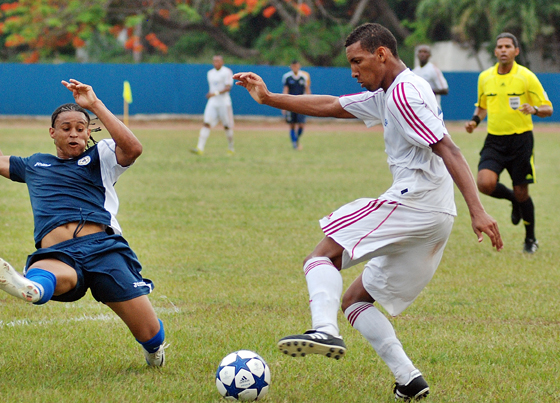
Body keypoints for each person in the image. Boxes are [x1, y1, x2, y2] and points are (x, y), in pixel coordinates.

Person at [234, 23, 503, 400]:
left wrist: (479, 209)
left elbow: (450, 149)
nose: (354, 72)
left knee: (321, 257)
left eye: (357, 62)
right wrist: (268, 98)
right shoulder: (390, 93)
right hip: (437, 215)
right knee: (356, 300)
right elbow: (331, 105)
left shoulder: (406, 94)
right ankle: (409, 379)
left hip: (415, 202)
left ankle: (323, 330)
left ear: (382, 54)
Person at [0, 79, 168, 367]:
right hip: (59, 254)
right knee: (43, 274)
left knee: (149, 333)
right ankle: (32, 288)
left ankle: (154, 351)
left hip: (103, 249)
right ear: (52, 132)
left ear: (89, 132)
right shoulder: (35, 164)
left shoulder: (100, 157)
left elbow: (133, 148)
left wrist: (95, 105)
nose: (74, 134)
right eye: (66, 129)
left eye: (80, 128)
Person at [465, 32, 553, 254]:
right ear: (495, 51)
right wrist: (475, 121)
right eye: (500, 47)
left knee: (523, 192)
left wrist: (534, 109)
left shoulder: (526, 77)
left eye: (508, 46)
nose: (503, 50)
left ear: (516, 51)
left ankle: (530, 239)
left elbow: (548, 108)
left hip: (521, 140)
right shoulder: (485, 77)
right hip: (494, 140)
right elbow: (482, 106)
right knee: (484, 183)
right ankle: (514, 200)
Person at [191, 55, 235, 155]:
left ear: (222, 62)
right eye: (214, 61)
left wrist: (215, 93)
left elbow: (228, 87)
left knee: (227, 126)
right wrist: (213, 95)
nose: (216, 63)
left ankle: (231, 147)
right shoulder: (210, 73)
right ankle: (200, 148)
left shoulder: (227, 72)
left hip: (224, 103)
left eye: (218, 61)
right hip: (213, 102)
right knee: (206, 123)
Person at [282, 60, 311, 149]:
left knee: (301, 124)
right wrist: (283, 105)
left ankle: (297, 139)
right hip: (290, 104)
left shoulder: (304, 77)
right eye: (293, 66)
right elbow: (285, 90)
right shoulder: (287, 77)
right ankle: (295, 143)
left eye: (296, 66)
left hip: (301, 104)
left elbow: (307, 90)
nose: (295, 67)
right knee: (292, 125)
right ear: (291, 66)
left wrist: (310, 102)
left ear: (299, 66)